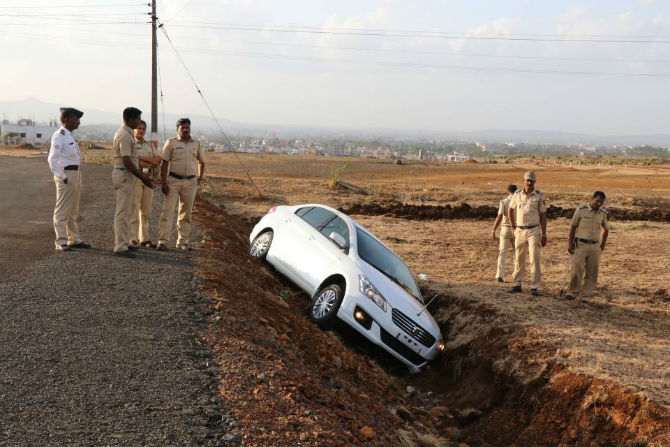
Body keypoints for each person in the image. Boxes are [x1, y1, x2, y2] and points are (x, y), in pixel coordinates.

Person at [112, 107, 155, 258]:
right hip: (124, 175)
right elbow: (126, 160)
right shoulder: (124, 135)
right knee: (122, 213)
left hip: (128, 176)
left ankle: (124, 243)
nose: (139, 122)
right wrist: (142, 177)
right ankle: (120, 247)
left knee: (127, 212)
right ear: (130, 119)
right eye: (137, 119)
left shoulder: (128, 133)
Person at [156, 118, 205, 251]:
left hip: (190, 182)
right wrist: (163, 182)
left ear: (190, 128)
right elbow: (165, 163)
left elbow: (202, 161)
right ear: (177, 129)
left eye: (187, 127)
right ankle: (163, 241)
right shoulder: (171, 142)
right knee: (167, 212)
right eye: (182, 128)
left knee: (186, 213)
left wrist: (200, 178)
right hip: (173, 181)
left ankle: (182, 242)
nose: (185, 130)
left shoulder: (196, 143)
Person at [47, 107, 91, 252]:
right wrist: (62, 176)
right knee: (62, 210)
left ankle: (74, 239)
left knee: (73, 210)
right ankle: (60, 241)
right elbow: (52, 159)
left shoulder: (70, 135)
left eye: (78, 119)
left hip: (75, 173)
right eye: (75, 119)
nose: (78, 121)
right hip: (66, 174)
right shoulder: (59, 136)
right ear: (66, 120)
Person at [507, 171, 547, 296]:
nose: (529, 183)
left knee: (534, 258)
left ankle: (534, 287)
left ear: (535, 181)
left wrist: (544, 234)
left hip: (534, 230)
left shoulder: (539, 195)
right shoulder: (517, 194)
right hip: (519, 230)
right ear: (523, 180)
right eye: (527, 180)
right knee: (519, 257)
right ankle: (517, 284)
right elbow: (510, 209)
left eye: (531, 181)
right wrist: (512, 227)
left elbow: (543, 215)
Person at [564, 191, 609, 300]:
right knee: (577, 270)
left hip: (595, 246)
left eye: (601, 202)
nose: (599, 204)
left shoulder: (603, 213)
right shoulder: (581, 210)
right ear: (592, 199)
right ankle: (573, 292)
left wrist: (602, 245)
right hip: (580, 245)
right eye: (597, 201)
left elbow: (606, 229)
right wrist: (570, 245)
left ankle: (587, 294)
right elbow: (573, 228)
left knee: (592, 271)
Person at [129, 120, 161, 248]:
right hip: (136, 177)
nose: (141, 130)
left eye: (143, 128)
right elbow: (134, 162)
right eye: (139, 128)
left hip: (148, 178)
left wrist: (143, 159)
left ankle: (145, 239)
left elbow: (158, 159)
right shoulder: (131, 143)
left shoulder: (149, 144)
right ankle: (133, 238)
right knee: (134, 208)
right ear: (134, 129)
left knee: (146, 210)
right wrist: (149, 161)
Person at [491, 184, 517, 282]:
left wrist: (494, 230)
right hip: (517, 229)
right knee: (517, 253)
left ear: (508, 191)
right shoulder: (519, 201)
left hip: (505, 229)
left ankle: (499, 275)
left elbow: (499, 217)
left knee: (502, 253)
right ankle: (516, 274)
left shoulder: (504, 202)